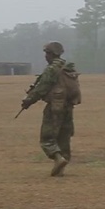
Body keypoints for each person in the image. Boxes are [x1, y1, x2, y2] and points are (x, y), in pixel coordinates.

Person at [20, 41, 81, 176]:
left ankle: (58, 159)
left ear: (51, 54)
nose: (45, 56)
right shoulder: (68, 67)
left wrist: (28, 101)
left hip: (55, 107)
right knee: (63, 137)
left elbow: (42, 88)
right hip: (68, 106)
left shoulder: (52, 69)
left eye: (46, 53)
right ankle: (61, 168)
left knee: (47, 138)